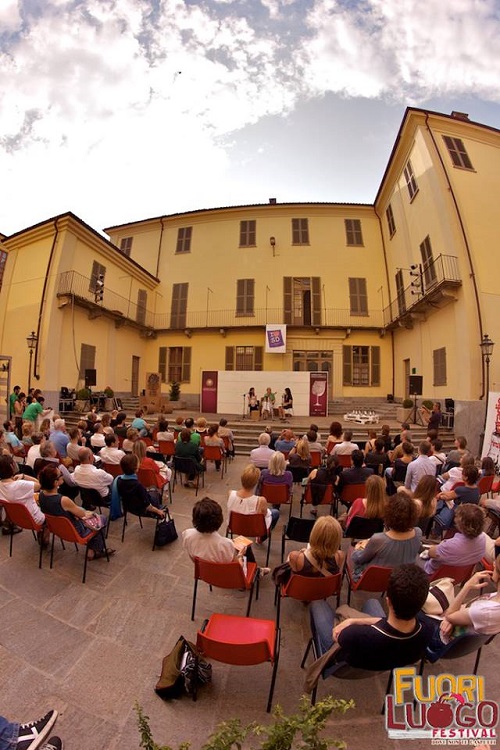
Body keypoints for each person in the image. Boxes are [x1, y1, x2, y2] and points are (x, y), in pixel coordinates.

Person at [308, 564, 432, 675]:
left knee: (317, 604)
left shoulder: (353, 634)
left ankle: (320, 648)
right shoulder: (428, 628)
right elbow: (385, 623)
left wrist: (350, 623)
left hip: (343, 668)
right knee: (372, 603)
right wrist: (353, 621)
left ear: (388, 601)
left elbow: (338, 637)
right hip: (390, 661)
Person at [424, 557, 500, 662]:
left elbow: (450, 615)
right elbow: (463, 611)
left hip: (443, 642)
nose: (494, 564)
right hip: (459, 636)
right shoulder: (494, 601)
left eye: (495, 564)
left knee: (415, 605)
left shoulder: (484, 611)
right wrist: (453, 618)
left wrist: (467, 586)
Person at [39, 464, 114, 560]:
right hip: (76, 531)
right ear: (55, 482)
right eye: (60, 474)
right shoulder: (63, 500)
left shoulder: (41, 495)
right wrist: (90, 513)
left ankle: (94, 547)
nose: (63, 475)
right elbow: (82, 514)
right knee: (102, 518)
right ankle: (95, 550)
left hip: (58, 529)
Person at [350, 490, 422, 580]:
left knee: (352, 553)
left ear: (389, 514)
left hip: (375, 579)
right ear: (413, 515)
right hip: (402, 578)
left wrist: (357, 548)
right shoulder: (418, 532)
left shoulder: (378, 539)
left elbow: (359, 559)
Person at [182, 496, 262, 569]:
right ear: (219, 520)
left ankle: (258, 570)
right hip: (226, 576)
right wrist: (240, 555)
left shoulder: (187, 534)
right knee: (246, 547)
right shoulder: (226, 544)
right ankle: (256, 571)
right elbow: (237, 566)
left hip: (203, 572)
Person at [425, 503, 487, 575]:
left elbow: (430, 553)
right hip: (458, 576)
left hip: (432, 575)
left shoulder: (450, 545)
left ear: (461, 524)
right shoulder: (483, 538)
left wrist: (440, 546)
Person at [227, 464, 279, 538]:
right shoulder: (261, 500)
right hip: (253, 529)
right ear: (256, 482)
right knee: (275, 512)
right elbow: (265, 515)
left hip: (234, 526)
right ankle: (262, 537)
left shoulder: (230, 493)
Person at [0, 455, 44, 537]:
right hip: (35, 519)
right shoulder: (21, 485)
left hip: (17, 519)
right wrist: (24, 476)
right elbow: (39, 485)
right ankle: (44, 536)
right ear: (11, 466)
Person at [113, 453, 166, 521]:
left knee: (152, 492)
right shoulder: (137, 485)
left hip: (128, 508)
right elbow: (148, 506)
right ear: (136, 468)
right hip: (142, 510)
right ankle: (159, 507)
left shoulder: (118, 480)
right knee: (154, 492)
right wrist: (158, 511)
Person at [434, 464, 481, 530]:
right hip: (467, 514)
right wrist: (442, 493)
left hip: (457, 514)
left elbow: (447, 497)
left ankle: (436, 530)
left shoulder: (461, 490)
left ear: (466, 477)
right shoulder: (477, 489)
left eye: (462, 474)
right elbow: (450, 494)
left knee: (441, 503)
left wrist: (439, 495)